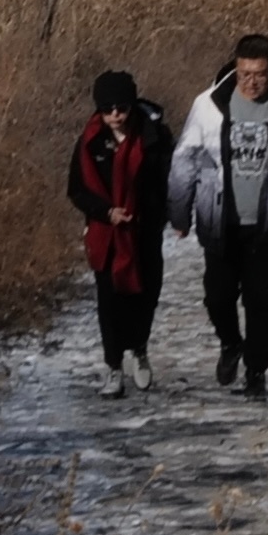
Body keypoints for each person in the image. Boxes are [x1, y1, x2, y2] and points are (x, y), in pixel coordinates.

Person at [168, 31, 268, 403]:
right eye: (244, 74)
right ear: (234, 69)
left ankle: (256, 371)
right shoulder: (208, 104)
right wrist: (179, 211)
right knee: (217, 297)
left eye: (260, 75)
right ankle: (231, 343)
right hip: (218, 218)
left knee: (259, 299)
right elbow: (185, 157)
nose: (252, 82)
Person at [68, 69, 176, 397]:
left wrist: (154, 214)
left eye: (122, 107)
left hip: (143, 232)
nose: (115, 114)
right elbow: (76, 189)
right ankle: (113, 367)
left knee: (145, 296)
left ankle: (139, 349)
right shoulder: (90, 142)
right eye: (107, 108)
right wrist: (105, 211)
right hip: (105, 236)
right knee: (109, 302)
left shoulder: (155, 137)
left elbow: (170, 181)